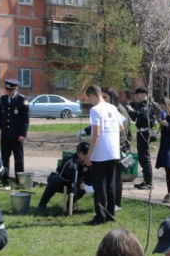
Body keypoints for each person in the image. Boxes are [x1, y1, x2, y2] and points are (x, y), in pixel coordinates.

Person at [85, 85, 125, 225]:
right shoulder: (113, 108)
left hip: (100, 152)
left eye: (89, 98)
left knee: (99, 185)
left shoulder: (95, 110)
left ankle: (100, 216)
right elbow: (121, 127)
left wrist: (89, 154)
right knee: (111, 185)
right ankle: (110, 214)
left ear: (93, 96)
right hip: (113, 151)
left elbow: (96, 133)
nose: (89, 101)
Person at [37, 141, 92, 214]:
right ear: (79, 153)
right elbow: (72, 176)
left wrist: (90, 186)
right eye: (85, 154)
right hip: (62, 181)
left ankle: (69, 206)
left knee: (83, 188)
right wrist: (84, 186)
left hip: (75, 184)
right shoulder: (70, 161)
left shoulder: (90, 162)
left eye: (89, 153)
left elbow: (90, 177)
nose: (87, 156)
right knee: (56, 181)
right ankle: (42, 204)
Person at [0, 79, 29, 187]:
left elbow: (25, 120)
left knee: (18, 159)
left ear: (16, 88)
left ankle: (19, 182)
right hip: (5, 135)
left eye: (11, 90)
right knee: (4, 158)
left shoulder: (22, 100)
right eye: (7, 90)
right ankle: (5, 180)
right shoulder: (3, 99)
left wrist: (22, 135)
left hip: (17, 136)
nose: (8, 92)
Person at [125, 87, 156, 190]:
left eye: (138, 94)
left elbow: (142, 116)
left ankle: (149, 182)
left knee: (145, 157)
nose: (136, 96)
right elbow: (135, 118)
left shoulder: (148, 105)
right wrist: (130, 111)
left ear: (144, 94)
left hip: (145, 132)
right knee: (142, 158)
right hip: (140, 132)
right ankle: (146, 181)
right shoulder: (141, 105)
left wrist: (131, 110)